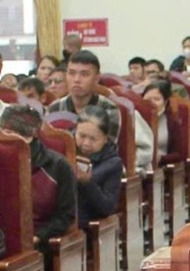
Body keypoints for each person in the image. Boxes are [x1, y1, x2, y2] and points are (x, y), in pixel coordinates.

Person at [0, 104, 75, 246]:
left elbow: (66, 216)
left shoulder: (58, 165)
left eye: (12, 134)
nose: (6, 139)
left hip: (39, 240)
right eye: (4, 133)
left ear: (31, 136)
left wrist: (39, 237)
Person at [47, 51, 121, 141]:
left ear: (96, 79)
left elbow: (108, 146)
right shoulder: (54, 108)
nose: (76, 80)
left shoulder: (109, 109)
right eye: (72, 73)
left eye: (84, 74)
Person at [74, 106, 124, 226]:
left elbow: (108, 207)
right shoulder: (65, 152)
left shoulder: (113, 164)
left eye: (93, 139)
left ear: (105, 139)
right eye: (82, 136)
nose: (86, 143)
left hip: (89, 225)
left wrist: (87, 183)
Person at [142, 79, 184, 166]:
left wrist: (162, 158)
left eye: (156, 99)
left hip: (162, 167)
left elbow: (179, 155)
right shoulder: (135, 119)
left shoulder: (172, 122)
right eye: (148, 99)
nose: (151, 103)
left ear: (165, 102)